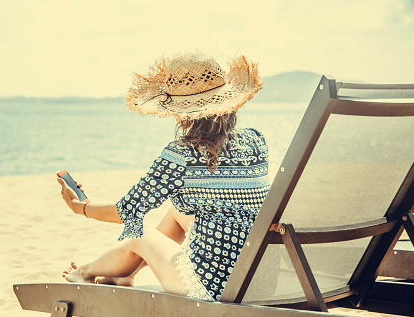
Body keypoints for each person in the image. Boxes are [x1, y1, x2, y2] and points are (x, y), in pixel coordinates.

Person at [58, 51, 268, 301]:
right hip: (260, 275)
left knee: (139, 232)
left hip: (214, 286)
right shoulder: (256, 141)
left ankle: (85, 271)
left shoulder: (181, 154)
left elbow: (125, 211)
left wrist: (80, 207)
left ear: (180, 111)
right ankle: (124, 273)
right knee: (176, 212)